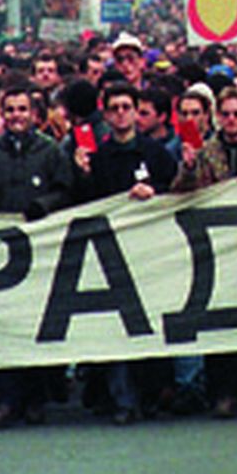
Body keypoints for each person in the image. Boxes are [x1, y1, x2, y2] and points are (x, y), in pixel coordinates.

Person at [71, 83, 177, 424]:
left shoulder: (156, 153)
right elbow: (86, 204)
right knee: (117, 331)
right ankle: (123, 400)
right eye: (113, 108)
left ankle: (151, 395)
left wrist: (155, 192)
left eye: (126, 107)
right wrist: (83, 174)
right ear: (106, 114)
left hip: (150, 253)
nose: (120, 113)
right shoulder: (98, 158)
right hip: (110, 256)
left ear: (135, 111)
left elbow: (177, 193)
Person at [0, 84, 76, 428]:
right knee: (3, 326)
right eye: (11, 109)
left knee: (37, 326)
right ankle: (6, 399)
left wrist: (43, 206)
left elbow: (66, 189)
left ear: (34, 115)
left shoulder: (50, 152)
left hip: (41, 253)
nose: (17, 116)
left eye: (22, 109)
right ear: (2, 114)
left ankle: (36, 399)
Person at [172, 87, 237, 417]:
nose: (231, 120)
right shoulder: (203, 152)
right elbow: (179, 193)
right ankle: (223, 393)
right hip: (215, 247)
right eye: (226, 114)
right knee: (219, 322)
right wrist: (188, 168)